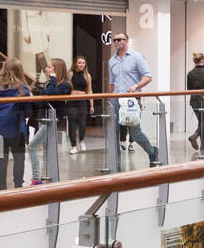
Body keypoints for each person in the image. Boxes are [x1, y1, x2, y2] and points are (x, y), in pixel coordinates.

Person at [107, 32, 160, 166]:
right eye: (114, 40)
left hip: (131, 101)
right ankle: (116, 165)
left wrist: (136, 86)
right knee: (114, 133)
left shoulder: (136, 57)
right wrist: (109, 99)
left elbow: (148, 76)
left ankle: (152, 151)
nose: (116, 42)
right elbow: (111, 83)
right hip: (115, 100)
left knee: (135, 133)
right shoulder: (112, 61)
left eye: (119, 39)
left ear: (126, 41)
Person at [0, 58, 32, 190]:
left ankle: (1, 187)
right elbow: (28, 110)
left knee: (1, 158)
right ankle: (18, 186)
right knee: (19, 159)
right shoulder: (22, 88)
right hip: (16, 129)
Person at [29, 58, 72, 184]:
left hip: (52, 120)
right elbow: (43, 99)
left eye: (49, 67)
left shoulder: (65, 85)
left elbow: (50, 95)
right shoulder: (49, 83)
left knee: (32, 146)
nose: (46, 69)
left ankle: (36, 178)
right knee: (47, 149)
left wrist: (52, 79)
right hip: (43, 117)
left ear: (56, 69)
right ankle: (49, 178)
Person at [67, 55, 94, 154]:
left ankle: (81, 140)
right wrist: (71, 94)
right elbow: (67, 87)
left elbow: (89, 90)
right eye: (79, 62)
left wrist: (91, 105)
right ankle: (73, 146)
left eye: (83, 63)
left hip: (82, 101)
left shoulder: (87, 75)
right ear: (75, 64)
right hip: (72, 101)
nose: (81, 64)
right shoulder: (70, 74)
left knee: (82, 123)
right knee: (72, 123)